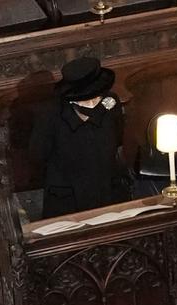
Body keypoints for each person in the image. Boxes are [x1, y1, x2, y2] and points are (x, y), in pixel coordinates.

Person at [30, 56, 130, 219]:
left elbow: (118, 137)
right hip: (68, 201)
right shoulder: (50, 115)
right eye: (86, 99)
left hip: (108, 191)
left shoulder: (111, 103)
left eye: (96, 97)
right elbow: (38, 155)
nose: (92, 103)